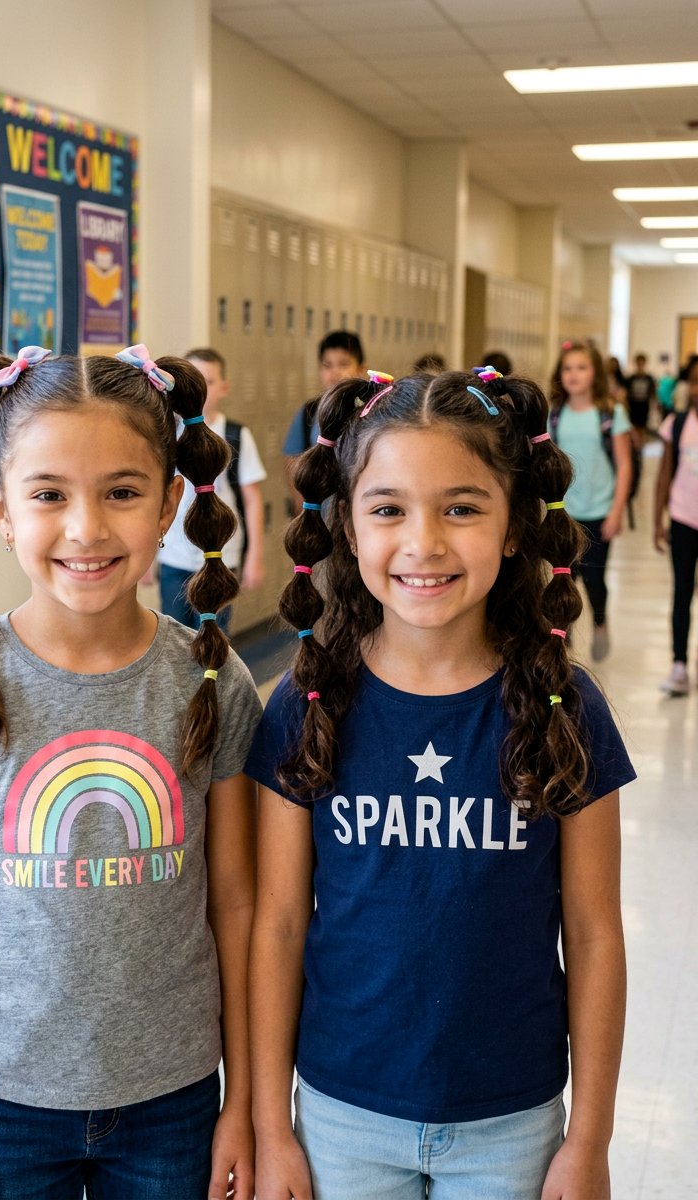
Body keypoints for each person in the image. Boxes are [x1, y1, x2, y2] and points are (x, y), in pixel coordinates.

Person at [0, 345, 261, 1200]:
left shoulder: (211, 678)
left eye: (122, 492)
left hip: (175, 1099)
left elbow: (237, 904)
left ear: (169, 503)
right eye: (49, 494)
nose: (86, 528)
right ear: (0, 508)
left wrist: (243, 1105)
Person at [246, 365, 633, 1200]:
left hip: (514, 1122)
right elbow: (276, 925)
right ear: (347, 527)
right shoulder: (307, 700)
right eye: (388, 509)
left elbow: (596, 934)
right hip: (343, 1114)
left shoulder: (566, 705)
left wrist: (590, 1138)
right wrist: (272, 1129)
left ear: (515, 528)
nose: (423, 543)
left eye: (461, 507)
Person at [157, 348, 266, 632]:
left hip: (220, 555)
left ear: (224, 388)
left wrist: (254, 555)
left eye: (210, 380)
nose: (201, 388)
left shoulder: (235, 435)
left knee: (214, 634)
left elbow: (252, 499)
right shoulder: (168, 433)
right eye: (193, 380)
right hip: (174, 555)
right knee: (173, 634)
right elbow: (156, 494)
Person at [549, 341, 632, 661]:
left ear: (594, 373)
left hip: (598, 511)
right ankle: (563, 635)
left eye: (581, 367)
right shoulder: (555, 414)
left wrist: (616, 511)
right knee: (564, 577)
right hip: (564, 513)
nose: (573, 374)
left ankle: (599, 621)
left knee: (595, 579)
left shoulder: (610, 413)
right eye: (568, 368)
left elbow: (624, 464)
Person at [283, 332, 366, 515]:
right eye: (327, 365)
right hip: (320, 516)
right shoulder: (309, 413)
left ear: (361, 369)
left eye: (344, 364)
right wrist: (300, 502)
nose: (335, 372)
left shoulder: (370, 411)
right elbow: (292, 459)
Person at [654, 354, 698, 695]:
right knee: (681, 592)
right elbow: (665, 472)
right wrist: (658, 519)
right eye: (695, 381)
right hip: (684, 519)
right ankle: (679, 663)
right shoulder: (679, 422)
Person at [624, 352, 656, 448]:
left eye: (642, 363)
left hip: (644, 405)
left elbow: (652, 393)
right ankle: (635, 444)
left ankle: (641, 445)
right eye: (639, 363)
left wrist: (654, 404)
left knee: (642, 426)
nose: (640, 365)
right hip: (633, 405)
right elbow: (627, 393)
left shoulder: (649, 378)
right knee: (633, 426)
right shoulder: (631, 378)